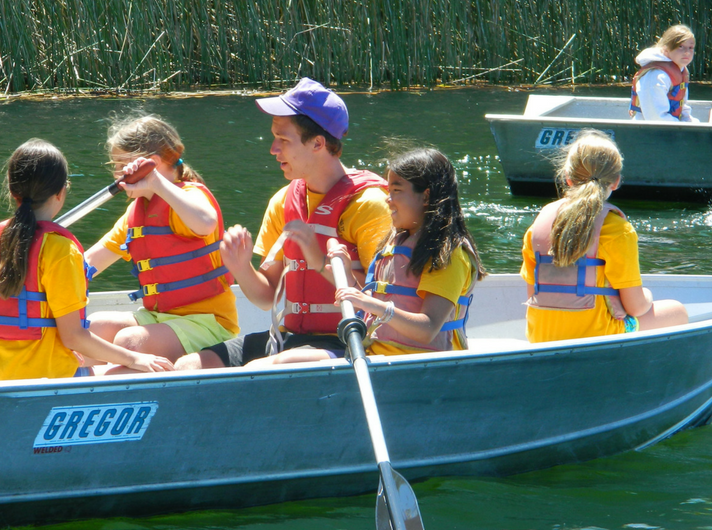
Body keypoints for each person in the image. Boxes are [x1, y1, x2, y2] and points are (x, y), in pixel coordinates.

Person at [175, 77, 392, 369]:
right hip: (290, 338)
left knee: (261, 368)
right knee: (189, 366)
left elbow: (380, 301)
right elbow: (266, 296)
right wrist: (240, 267)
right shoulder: (283, 200)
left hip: (348, 342)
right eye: (274, 138)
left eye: (284, 140)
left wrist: (319, 262)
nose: (273, 149)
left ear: (318, 143)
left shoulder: (369, 204)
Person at [263, 147, 486, 364]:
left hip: (419, 365)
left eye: (396, 191)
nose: (388, 200)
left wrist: (370, 304)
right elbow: (377, 303)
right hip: (375, 355)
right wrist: (348, 278)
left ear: (425, 196)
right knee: (278, 361)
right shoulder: (394, 244)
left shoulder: (449, 255)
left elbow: (427, 329)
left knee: (286, 362)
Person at [0, 138, 173, 381]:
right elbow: (73, 337)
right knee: (125, 369)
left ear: (12, 190)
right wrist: (136, 359)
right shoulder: (61, 249)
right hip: (47, 378)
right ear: (61, 192)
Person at [83, 115, 239, 362]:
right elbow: (91, 260)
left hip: (208, 323)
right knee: (90, 329)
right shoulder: (137, 211)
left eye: (121, 165)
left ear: (151, 164)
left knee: (130, 342)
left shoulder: (188, 196)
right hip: (158, 317)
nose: (116, 175)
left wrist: (156, 183)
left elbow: (206, 222)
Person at [521, 129, 688, 344]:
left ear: (567, 178)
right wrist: (647, 295)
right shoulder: (617, 230)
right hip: (599, 336)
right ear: (616, 181)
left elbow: (532, 294)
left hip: (541, 337)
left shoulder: (538, 225)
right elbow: (636, 307)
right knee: (677, 311)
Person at [630, 24, 697, 122]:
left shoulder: (681, 71)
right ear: (666, 49)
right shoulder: (656, 75)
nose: (687, 52)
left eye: (690, 47)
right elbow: (655, 118)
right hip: (650, 132)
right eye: (680, 46)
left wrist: (691, 124)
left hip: (670, 129)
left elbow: (682, 107)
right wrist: (682, 129)